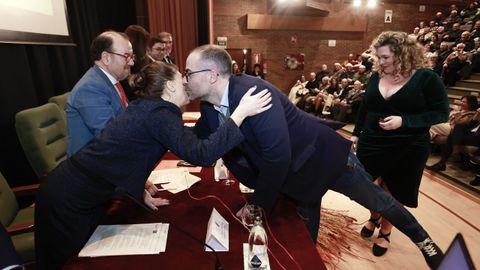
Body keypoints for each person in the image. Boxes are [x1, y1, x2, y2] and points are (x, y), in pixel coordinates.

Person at [185, 44, 444, 269]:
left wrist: (257, 205)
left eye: (188, 74)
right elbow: (197, 142)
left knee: (380, 202)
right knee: (304, 242)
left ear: (212, 75)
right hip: (297, 177)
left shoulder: (253, 94)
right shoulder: (209, 106)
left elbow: (277, 158)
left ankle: (423, 240)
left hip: (326, 160)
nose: (185, 80)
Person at [35, 61, 272, 269]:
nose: (187, 83)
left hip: (81, 192)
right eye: (182, 78)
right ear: (169, 85)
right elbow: (202, 155)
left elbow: (128, 153)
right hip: (68, 199)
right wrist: (239, 114)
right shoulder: (159, 114)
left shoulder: (150, 109)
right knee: (68, 263)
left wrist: (136, 187)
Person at [350, 32, 449, 258]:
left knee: (393, 192)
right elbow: (366, 108)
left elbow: (442, 113)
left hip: (409, 145)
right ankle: (374, 216)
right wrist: (356, 134)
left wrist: (405, 121)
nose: (380, 62)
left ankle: (385, 231)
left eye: (385, 57)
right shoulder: (376, 76)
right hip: (372, 141)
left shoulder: (426, 78)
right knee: (368, 187)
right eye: (379, 57)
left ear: (402, 54)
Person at [66, 31, 134, 156]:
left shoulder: (111, 81)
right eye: (126, 56)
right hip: (91, 166)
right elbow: (111, 137)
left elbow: (127, 120)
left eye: (132, 56)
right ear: (106, 58)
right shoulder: (90, 88)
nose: (131, 62)